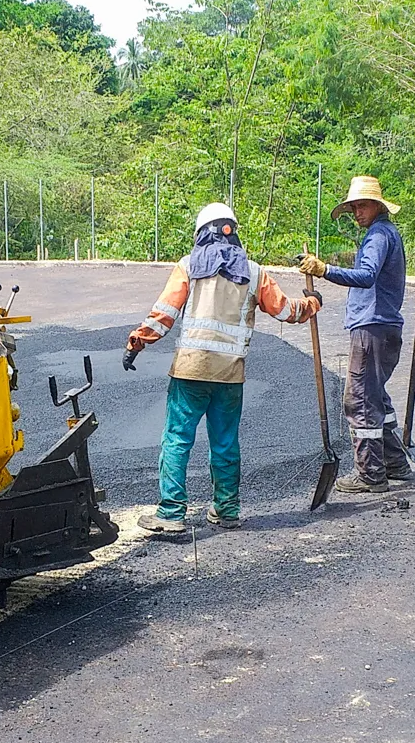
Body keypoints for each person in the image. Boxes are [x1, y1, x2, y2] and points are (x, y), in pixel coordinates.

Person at [124, 202, 322, 533]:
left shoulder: (188, 267)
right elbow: (287, 311)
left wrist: (137, 343)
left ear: (202, 233)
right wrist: (312, 304)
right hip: (230, 375)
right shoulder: (255, 273)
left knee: (177, 438)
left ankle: (172, 514)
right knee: (226, 442)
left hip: (190, 371)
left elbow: (163, 316)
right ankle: (227, 510)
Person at [298, 175, 411, 493]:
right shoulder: (387, 232)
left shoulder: (378, 235)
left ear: (377, 206)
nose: (357, 213)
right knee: (376, 398)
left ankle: (371, 474)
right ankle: (394, 462)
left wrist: (325, 270)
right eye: (354, 208)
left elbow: (365, 276)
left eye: (361, 206)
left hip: (373, 328)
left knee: (358, 400)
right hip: (384, 327)